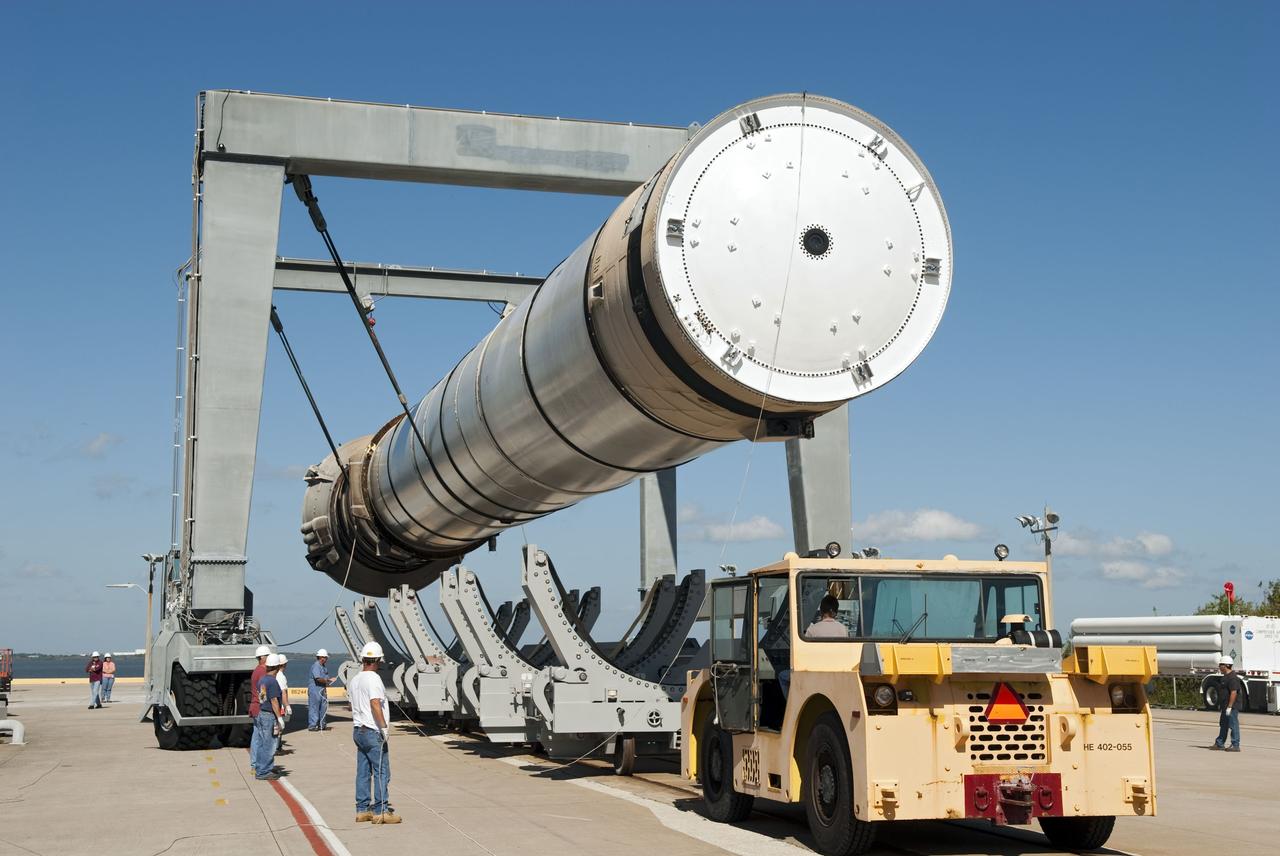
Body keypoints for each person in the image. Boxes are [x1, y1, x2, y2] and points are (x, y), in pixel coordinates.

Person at [348, 641, 400, 824]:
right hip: (372, 730)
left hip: (358, 730)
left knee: (363, 771)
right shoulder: (374, 679)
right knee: (381, 771)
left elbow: (352, 705)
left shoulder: (355, 680)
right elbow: (375, 703)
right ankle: (381, 811)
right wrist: (384, 727)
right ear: (377, 660)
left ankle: (362, 810)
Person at [253, 654, 286, 780]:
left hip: (262, 712)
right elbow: (274, 700)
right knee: (270, 744)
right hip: (269, 715)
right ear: (277, 667)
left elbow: (262, 698)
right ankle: (264, 771)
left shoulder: (262, 680)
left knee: (262, 743)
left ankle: (261, 767)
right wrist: (279, 718)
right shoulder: (272, 681)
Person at [1212, 655, 1245, 752]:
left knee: (1233, 725)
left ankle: (1235, 745)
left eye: (1220, 665)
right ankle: (1219, 743)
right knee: (1223, 724)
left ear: (1225, 665)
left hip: (1232, 706)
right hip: (1225, 706)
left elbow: (1233, 692)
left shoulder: (1232, 678)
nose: (1219, 667)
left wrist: (1230, 707)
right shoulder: (1225, 677)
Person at [247, 644, 272, 773]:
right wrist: (267, 705)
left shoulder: (257, 670)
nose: (269, 658)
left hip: (255, 706)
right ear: (262, 657)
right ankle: (260, 765)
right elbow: (263, 691)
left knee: (256, 737)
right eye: (267, 656)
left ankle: (254, 764)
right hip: (260, 707)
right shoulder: (262, 671)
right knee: (263, 739)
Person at [308, 649, 333, 731]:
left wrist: (328, 682)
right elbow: (318, 678)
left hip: (322, 689)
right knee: (314, 708)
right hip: (315, 690)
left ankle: (322, 724)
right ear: (321, 657)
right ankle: (313, 725)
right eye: (325, 657)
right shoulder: (316, 666)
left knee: (323, 707)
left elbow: (325, 678)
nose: (326, 659)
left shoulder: (323, 667)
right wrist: (327, 681)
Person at [275, 654, 291, 752]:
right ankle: (277, 747)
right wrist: (287, 706)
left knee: (276, 726)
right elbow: (283, 693)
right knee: (280, 727)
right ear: (284, 664)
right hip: (279, 706)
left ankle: (277, 746)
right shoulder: (281, 677)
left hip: (275, 705)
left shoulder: (274, 674)